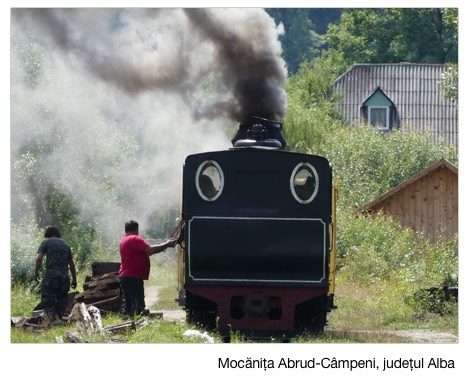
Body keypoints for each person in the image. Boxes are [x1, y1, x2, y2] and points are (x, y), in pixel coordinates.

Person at [119, 220, 177, 317]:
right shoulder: (135, 239)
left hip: (126, 276)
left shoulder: (124, 240)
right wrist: (167, 244)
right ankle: (136, 324)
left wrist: (162, 247)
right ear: (137, 229)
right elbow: (150, 249)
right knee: (138, 305)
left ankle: (129, 323)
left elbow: (148, 252)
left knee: (130, 305)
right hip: (133, 276)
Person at [34, 226, 77, 323]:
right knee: (62, 300)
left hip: (52, 275)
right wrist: (74, 279)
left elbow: (39, 258)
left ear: (47, 235)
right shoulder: (66, 244)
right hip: (64, 277)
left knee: (47, 299)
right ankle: (58, 318)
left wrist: (36, 272)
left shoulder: (46, 242)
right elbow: (71, 264)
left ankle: (52, 320)